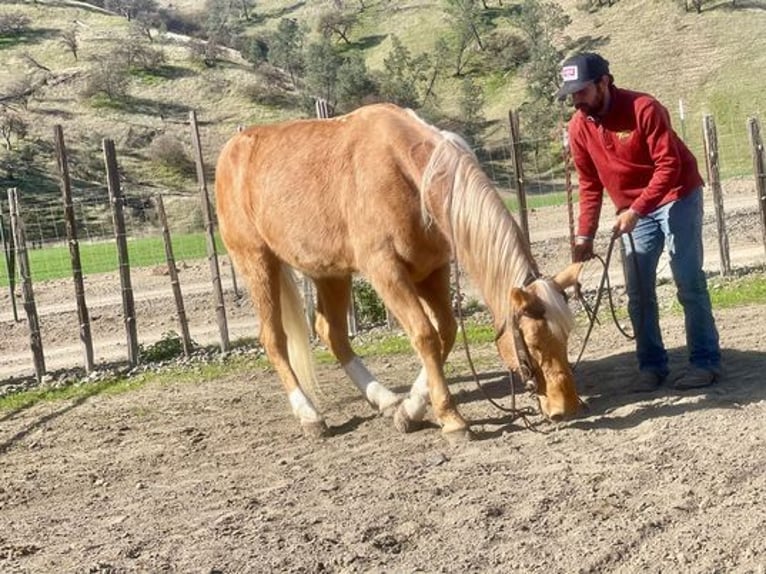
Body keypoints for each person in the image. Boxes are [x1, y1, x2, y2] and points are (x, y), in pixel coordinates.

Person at [556, 52, 721, 391]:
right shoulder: (578, 128)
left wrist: (636, 209)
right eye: (571, 94)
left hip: (677, 194)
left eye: (582, 91)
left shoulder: (644, 108)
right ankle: (651, 366)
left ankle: (705, 362)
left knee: (688, 280)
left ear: (604, 82)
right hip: (634, 209)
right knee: (638, 290)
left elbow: (668, 166)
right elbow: (590, 186)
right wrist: (584, 236)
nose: (576, 101)